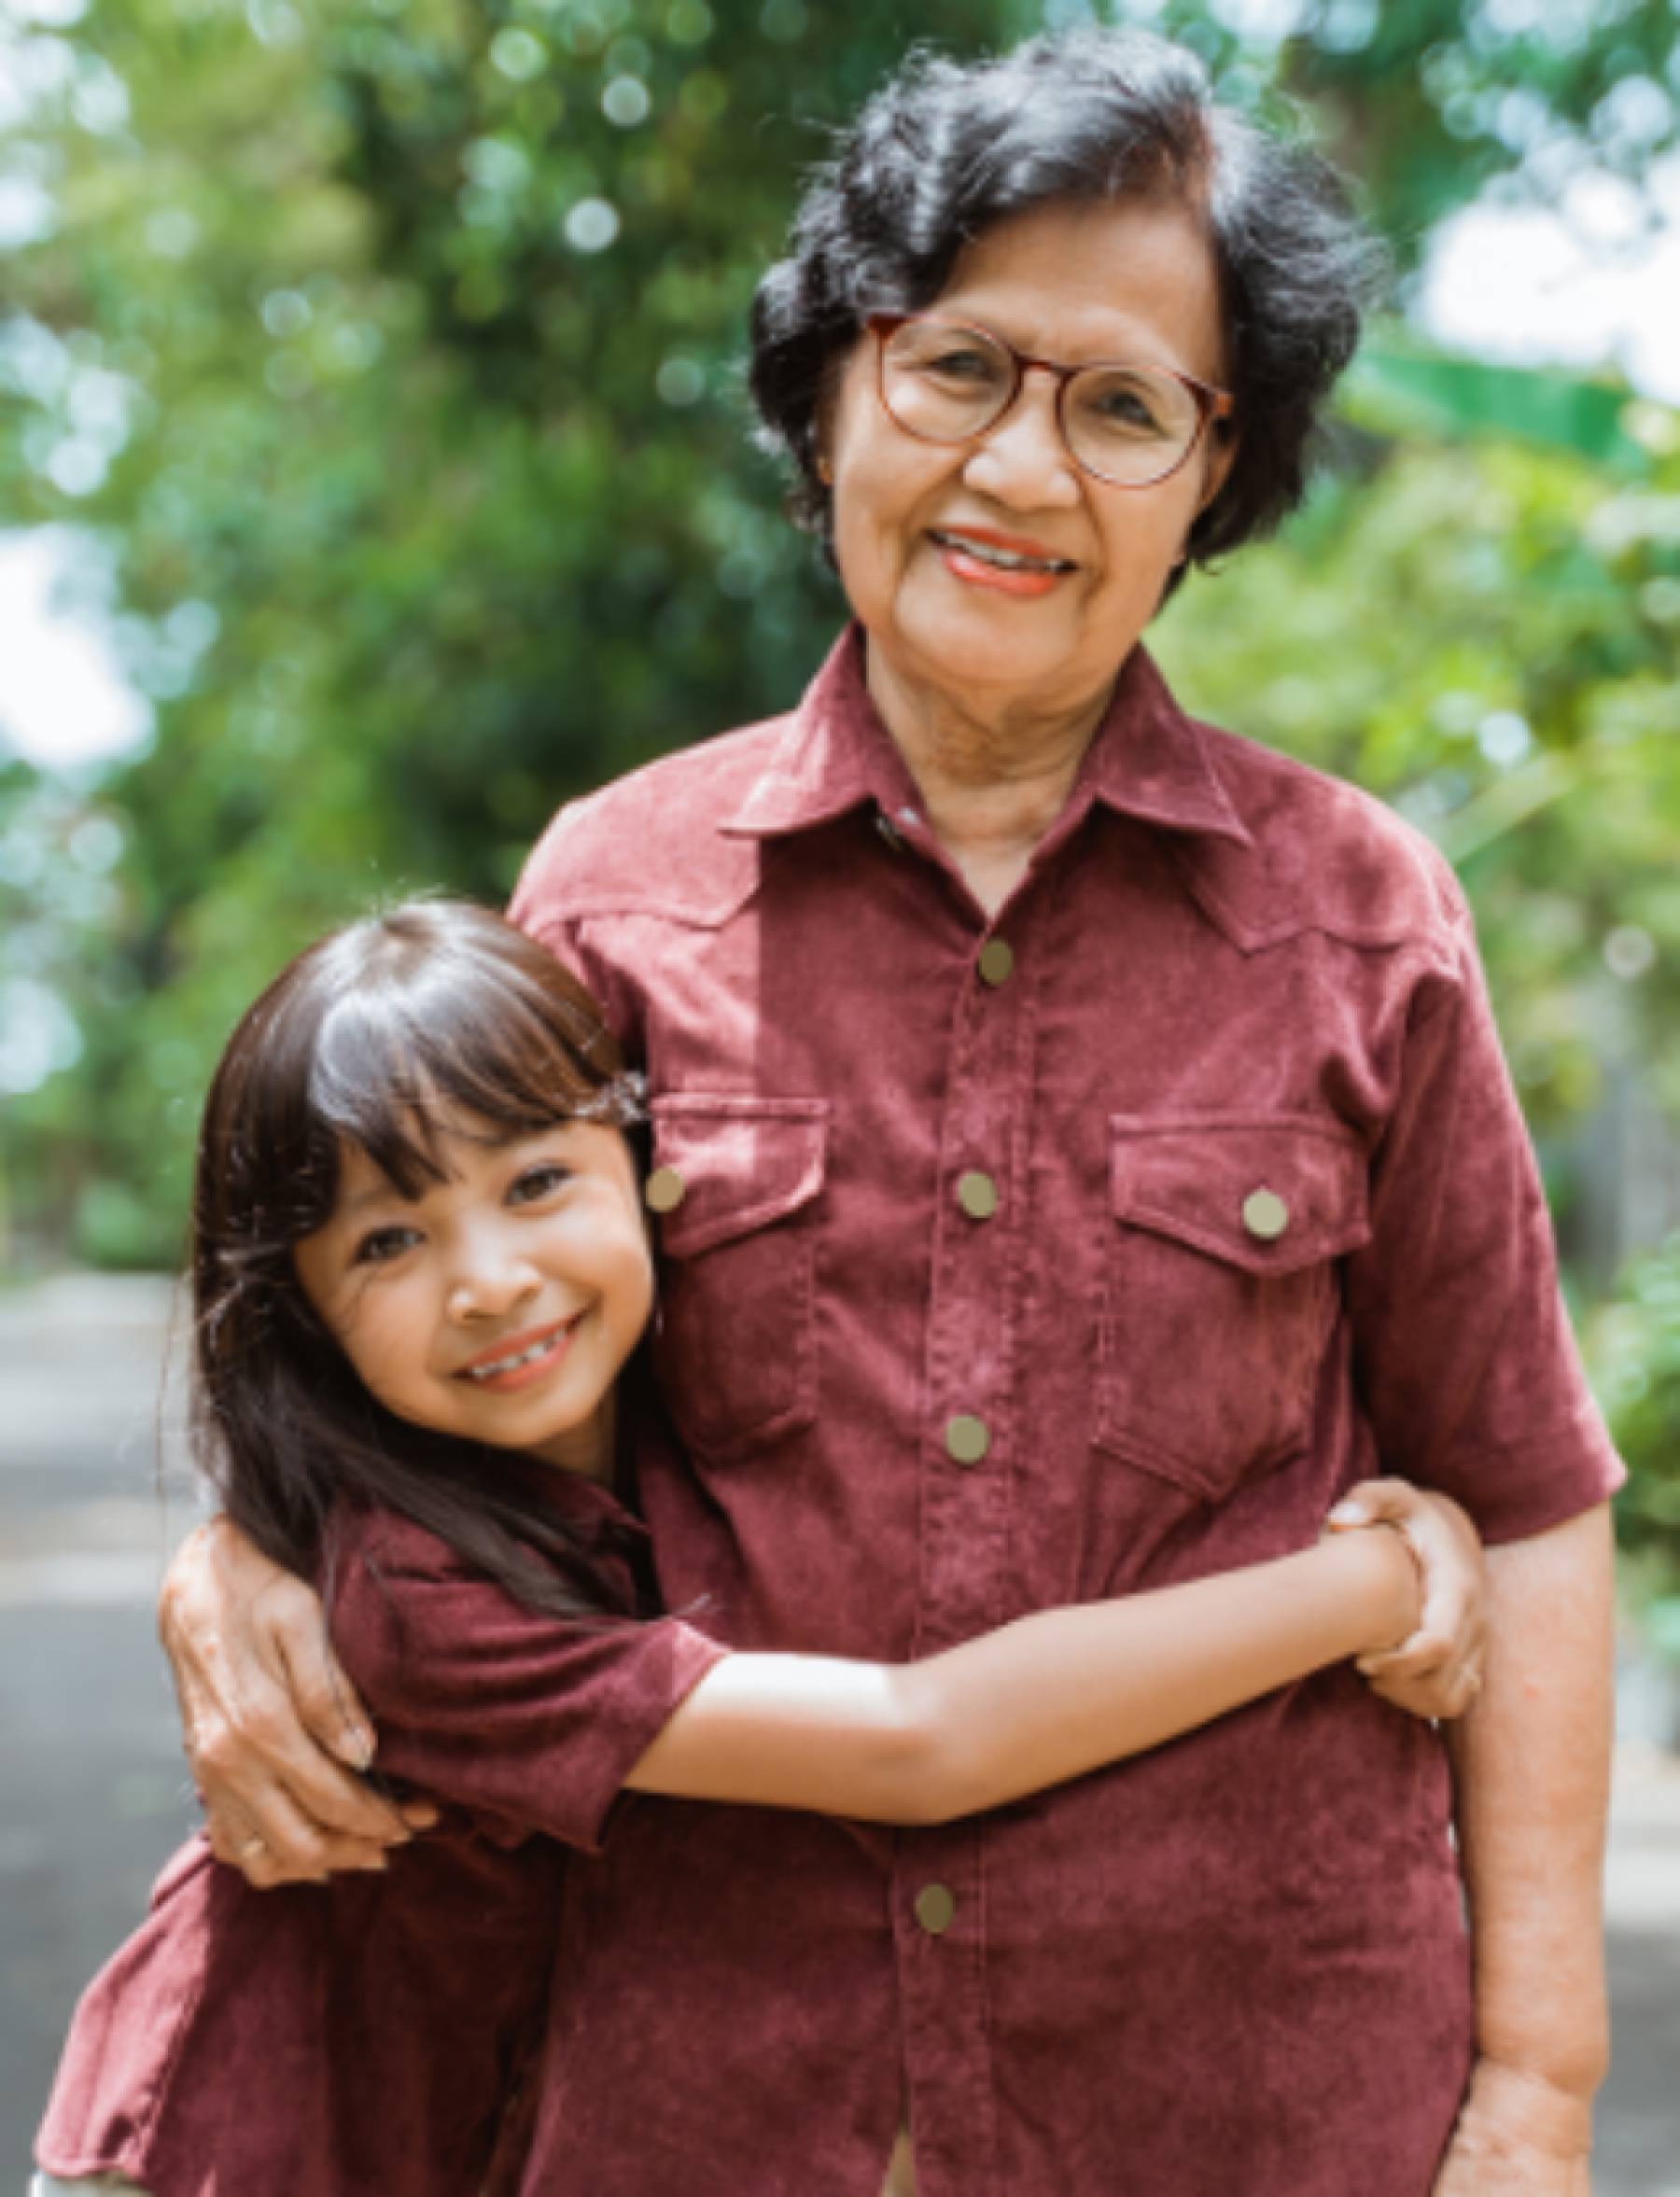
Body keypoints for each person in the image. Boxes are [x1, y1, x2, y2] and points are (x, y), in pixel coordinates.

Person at [155, 29, 1624, 2197]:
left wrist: (1540, 2087)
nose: (1020, 472)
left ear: (1214, 480)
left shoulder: (1360, 914)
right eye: (958, 370)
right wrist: (241, 1562)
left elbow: (1517, 1493)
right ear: (835, 390)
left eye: (1124, 405)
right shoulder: (612, 892)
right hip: (714, 2092)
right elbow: (454, 1369)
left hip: (1257, 2096)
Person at [35, 902, 1481, 2197]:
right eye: (386, 1244)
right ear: (304, 1316)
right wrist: (1361, 1584)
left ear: (647, 1163)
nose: (488, 1281)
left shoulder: (665, 1439)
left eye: (536, 1182)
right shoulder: (412, 1600)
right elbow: (922, 1740)